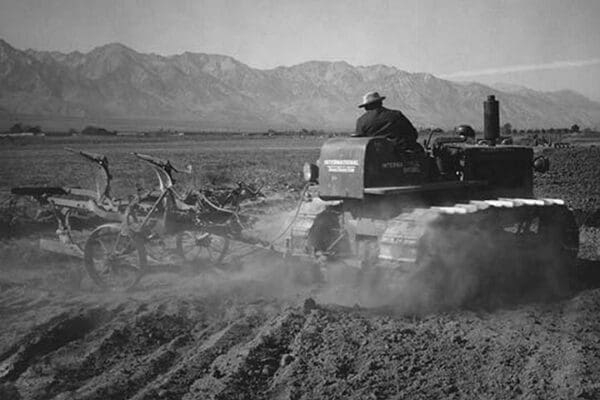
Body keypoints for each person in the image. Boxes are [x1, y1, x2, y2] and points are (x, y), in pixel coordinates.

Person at [353, 91, 418, 147]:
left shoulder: (361, 121)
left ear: (366, 107)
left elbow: (359, 142)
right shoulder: (396, 115)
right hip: (398, 154)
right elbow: (412, 134)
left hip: (373, 155)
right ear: (380, 102)